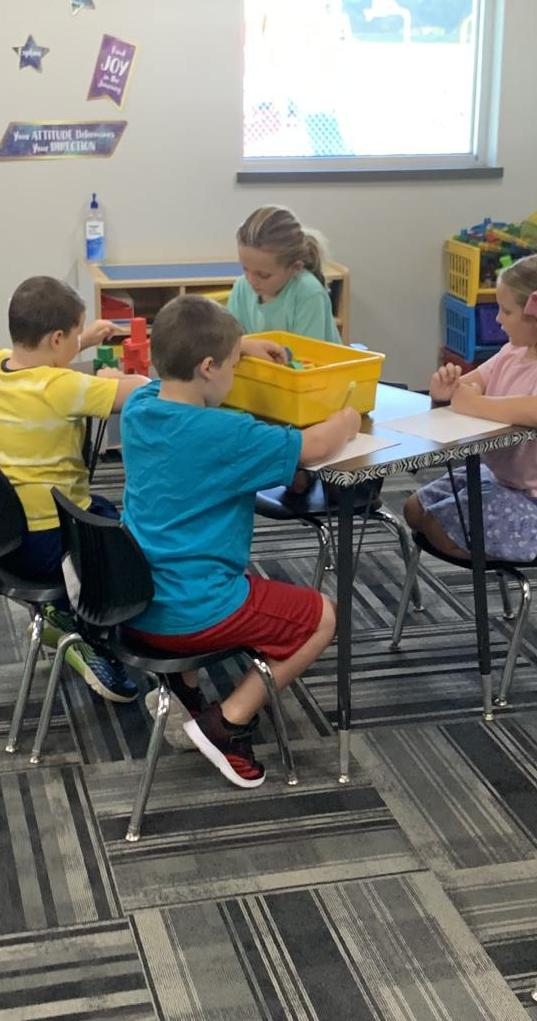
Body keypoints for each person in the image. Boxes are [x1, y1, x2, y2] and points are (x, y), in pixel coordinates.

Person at [120, 294, 361, 788]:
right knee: (324, 616)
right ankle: (227, 722)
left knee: (220, 572)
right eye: (231, 365)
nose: (236, 373)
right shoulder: (227, 432)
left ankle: (183, 690)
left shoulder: (140, 409)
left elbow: (160, 379)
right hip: (194, 610)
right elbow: (316, 445)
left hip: (134, 601)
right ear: (208, 367)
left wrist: (241, 345)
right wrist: (349, 415)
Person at [0, 275, 148, 702]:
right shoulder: (63, 386)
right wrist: (112, 376)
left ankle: (59, 611)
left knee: (105, 511)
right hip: (49, 539)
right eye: (73, 336)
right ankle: (88, 635)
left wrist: (84, 339)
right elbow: (135, 392)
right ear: (56, 339)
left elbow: (44, 368)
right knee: (127, 542)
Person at [405, 253, 537, 561]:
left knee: (436, 525)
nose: (498, 319)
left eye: (505, 310)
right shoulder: (512, 352)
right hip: (501, 479)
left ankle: (518, 550)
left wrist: (476, 403)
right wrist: (449, 388)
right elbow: (469, 385)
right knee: (413, 509)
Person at [226, 205, 342, 344]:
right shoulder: (242, 288)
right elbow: (228, 344)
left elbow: (306, 359)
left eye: (263, 275)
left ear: (295, 268)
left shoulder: (308, 293)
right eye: (245, 269)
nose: (250, 280)